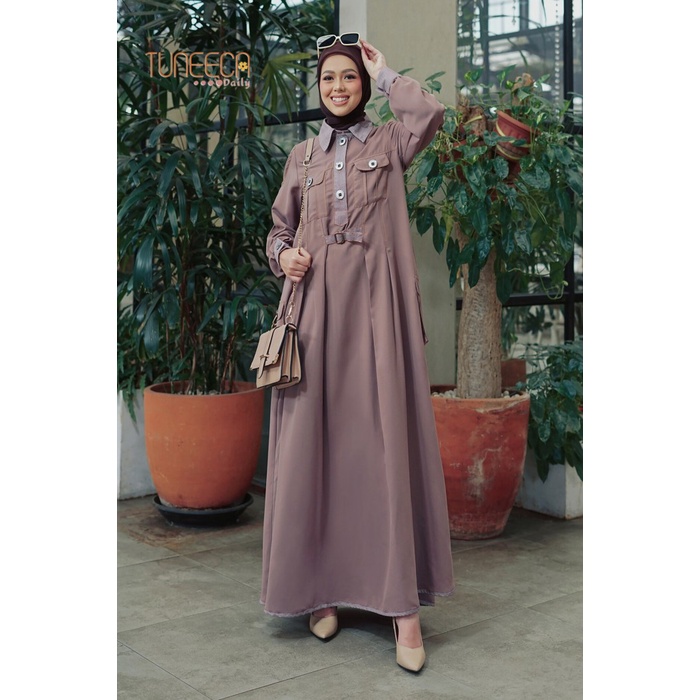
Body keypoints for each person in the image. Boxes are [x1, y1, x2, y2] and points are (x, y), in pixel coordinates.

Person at [260, 34, 454, 673]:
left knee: (381, 449)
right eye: (328, 79)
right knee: (319, 448)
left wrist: (385, 70)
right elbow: (278, 230)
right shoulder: (301, 157)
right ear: (318, 88)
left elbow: (429, 113)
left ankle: (403, 608)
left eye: (348, 77)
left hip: (377, 317)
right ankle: (321, 590)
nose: (338, 87)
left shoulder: (390, 143)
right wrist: (284, 256)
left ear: (363, 85)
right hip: (315, 314)